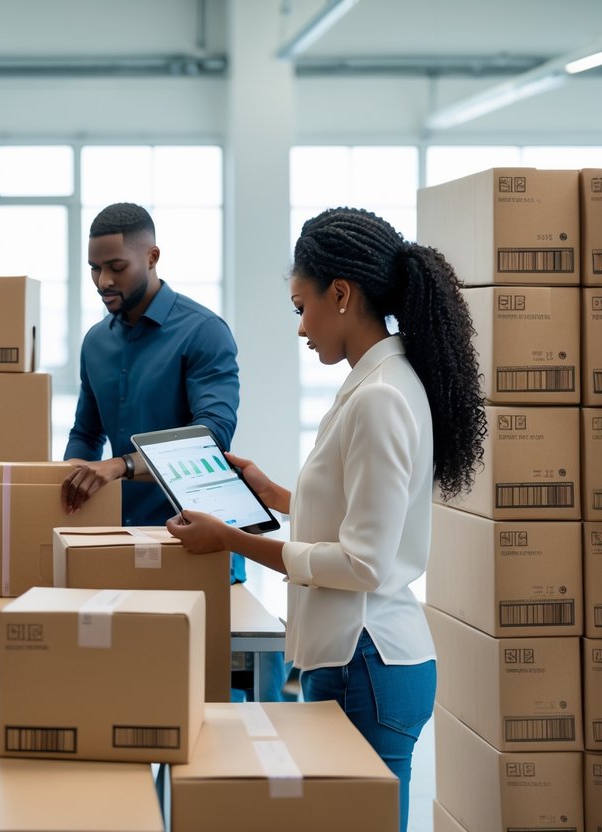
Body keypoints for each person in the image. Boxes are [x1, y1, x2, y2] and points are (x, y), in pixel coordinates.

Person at [165, 207, 486, 832]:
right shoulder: (377, 383)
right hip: (359, 658)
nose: (301, 327)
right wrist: (275, 494)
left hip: (366, 660)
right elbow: (359, 514)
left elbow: (363, 562)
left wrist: (229, 539)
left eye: (300, 307)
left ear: (341, 294)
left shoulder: (382, 397)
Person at [60, 201, 246, 582]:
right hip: (116, 537)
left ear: (152, 257)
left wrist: (122, 464)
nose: (102, 282)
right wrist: (66, 483)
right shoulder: (95, 342)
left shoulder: (203, 331)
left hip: (197, 536)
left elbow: (212, 433)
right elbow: (86, 433)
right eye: (95, 269)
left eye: (116, 267)